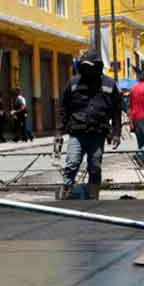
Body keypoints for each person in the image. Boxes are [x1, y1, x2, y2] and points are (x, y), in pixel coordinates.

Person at [57, 48, 122, 200]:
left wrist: (116, 133)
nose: (88, 69)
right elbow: (63, 108)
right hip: (77, 133)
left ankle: (93, 196)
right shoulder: (73, 83)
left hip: (98, 133)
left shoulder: (109, 84)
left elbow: (116, 111)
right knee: (72, 164)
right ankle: (65, 194)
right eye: (85, 66)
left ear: (97, 66)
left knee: (95, 167)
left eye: (91, 66)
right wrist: (59, 132)